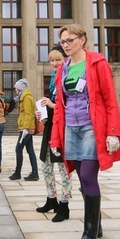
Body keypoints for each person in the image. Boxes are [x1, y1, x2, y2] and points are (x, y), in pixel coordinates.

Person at [50, 24, 120, 239]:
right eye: (63, 41)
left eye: (70, 40)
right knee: (83, 180)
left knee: (87, 175)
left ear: (82, 40)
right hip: (70, 128)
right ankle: (97, 226)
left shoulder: (96, 62)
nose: (66, 45)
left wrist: (112, 130)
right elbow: (59, 108)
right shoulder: (62, 68)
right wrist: (55, 138)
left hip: (91, 127)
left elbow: (109, 99)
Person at [36, 45, 72, 222]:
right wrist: (42, 114)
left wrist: (52, 105)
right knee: (46, 166)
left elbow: (71, 106)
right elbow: (53, 105)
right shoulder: (53, 79)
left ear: (65, 59)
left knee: (63, 168)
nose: (54, 63)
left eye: (58, 59)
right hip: (51, 127)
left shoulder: (68, 77)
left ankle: (64, 205)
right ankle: (51, 200)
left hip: (63, 129)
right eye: (52, 60)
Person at [9, 78, 39, 181]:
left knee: (18, 149)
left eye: (16, 88)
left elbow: (28, 113)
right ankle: (34, 173)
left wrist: (25, 128)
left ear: (20, 88)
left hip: (26, 128)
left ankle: (18, 173)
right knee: (30, 150)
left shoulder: (26, 98)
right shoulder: (24, 96)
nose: (15, 90)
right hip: (27, 126)